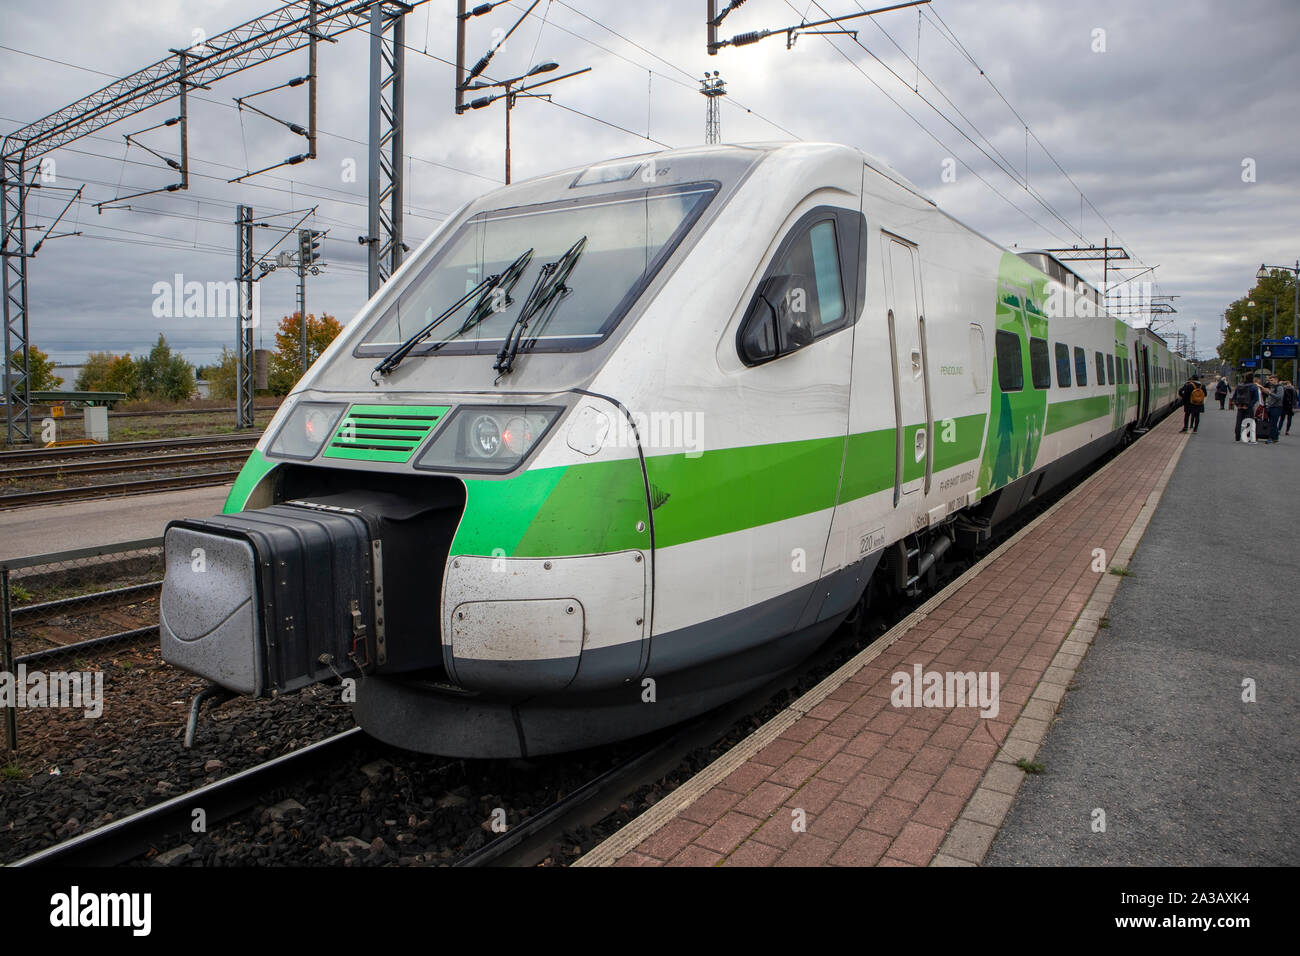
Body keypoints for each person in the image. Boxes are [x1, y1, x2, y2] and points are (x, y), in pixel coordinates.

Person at [1232, 374, 1261, 442]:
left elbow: (1234, 397)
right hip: (1248, 407)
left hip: (1240, 406)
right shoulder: (1254, 386)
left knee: (1238, 422)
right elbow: (1256, 398)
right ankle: (1248, 435)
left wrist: (1238, 404)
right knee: (1250, 421)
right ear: (1252, 378)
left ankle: (1237, 436)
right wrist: (1249, 405)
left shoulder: (1239, 386)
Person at [1263, 375, 1285, 444]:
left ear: (1276, 380)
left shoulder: (1279, 387)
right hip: (1270, 407)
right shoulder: (1272, 387)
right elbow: (1270, 396)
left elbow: (1279, 397)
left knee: (1273, 423)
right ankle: (1275, 438)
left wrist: (1270, 393)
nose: (1270, 382)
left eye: (1271, 380)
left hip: (1276, 407)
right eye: (1269, 380)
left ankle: (1271, 438)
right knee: (1272, 423)